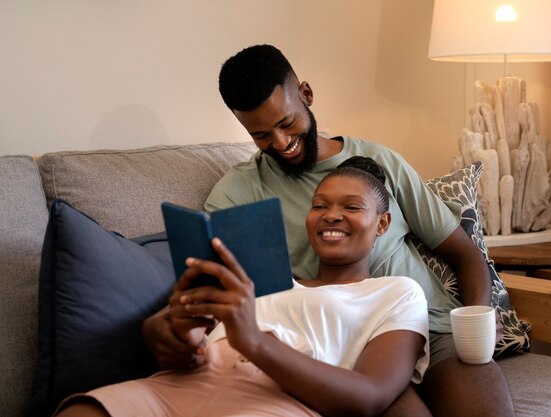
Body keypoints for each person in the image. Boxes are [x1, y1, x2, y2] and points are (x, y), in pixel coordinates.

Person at [143, 44, 515, 417]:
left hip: (431, 326)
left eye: (287, 123)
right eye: (260, 135)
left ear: (306, 94)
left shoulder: (382, 161)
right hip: (340, 340)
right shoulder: (237, 193)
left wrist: (479, 317)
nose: (281, 143)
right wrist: (161, 324)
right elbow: (210, 284)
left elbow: (462, 251)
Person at [55, 157, 431, 417]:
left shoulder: (396, 293)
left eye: (351, 207)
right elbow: (162, 331)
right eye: (320, 205)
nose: (331, 214)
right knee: (81, 411)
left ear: (382, 224)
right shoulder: (257, 276)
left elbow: (369, 397)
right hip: (185, 382)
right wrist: (167, 332)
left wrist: (253, 338)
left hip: (279, 398)